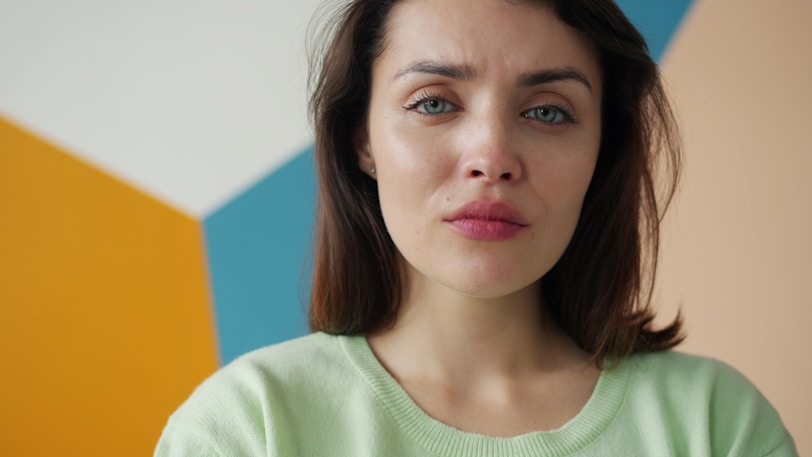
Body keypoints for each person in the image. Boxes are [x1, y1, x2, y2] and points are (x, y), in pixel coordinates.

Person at [155, 0, 797, 455]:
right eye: (433, 102)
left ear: (603, 149)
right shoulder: (247, 430)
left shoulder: (717, 428)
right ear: (362, 141)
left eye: (547, 111)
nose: (491, 156)